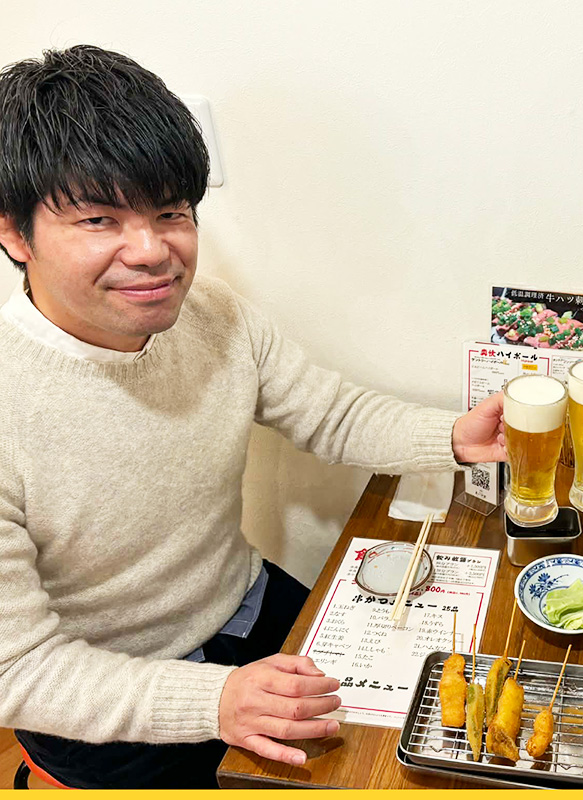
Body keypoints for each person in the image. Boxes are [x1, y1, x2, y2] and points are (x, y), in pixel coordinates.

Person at [0, 45, 505, 789]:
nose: (152, 251)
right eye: (100, 219)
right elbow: (19, 668)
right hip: (110, 700)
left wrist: (454, 437)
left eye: (171, 213)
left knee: (425, 736)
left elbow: (330, 414)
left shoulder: (212, 316)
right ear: (14, 233)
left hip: (248, 609)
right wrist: (215, 701)